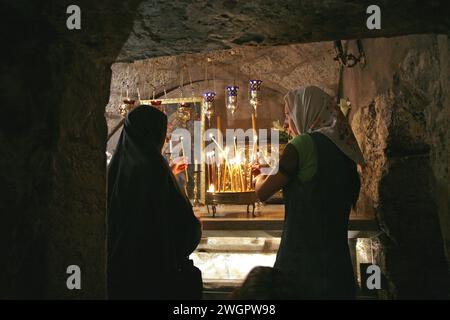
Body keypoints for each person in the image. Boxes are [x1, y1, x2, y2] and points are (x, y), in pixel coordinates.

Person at [253, 86, 364, 299]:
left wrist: (257, 177)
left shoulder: (302, 144)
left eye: (288, 115)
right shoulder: (344, 148)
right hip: (337, 269)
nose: (286, 124)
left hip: (301, 268)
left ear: (305, 111)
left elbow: (263, 192)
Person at [107, 105, 202, 299]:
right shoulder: (156, 169)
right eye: (163, 135)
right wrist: (197, 225)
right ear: (155, 134)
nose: (165, 141)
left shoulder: (115, 169)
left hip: (119, 277)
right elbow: (184, 231)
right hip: (155, 279)